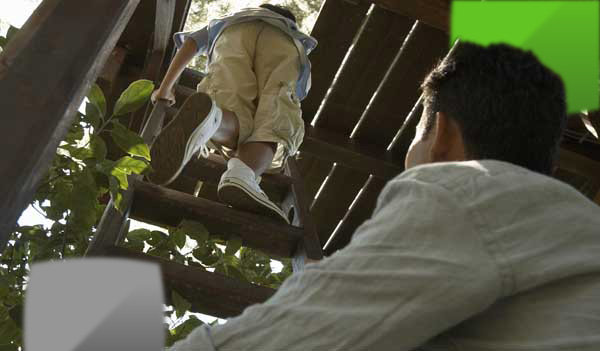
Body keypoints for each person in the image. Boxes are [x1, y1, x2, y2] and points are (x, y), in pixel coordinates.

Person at [167, 42, 600, 350]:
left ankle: (226, 137)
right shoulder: (560, 229)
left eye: (416, 137)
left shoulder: (467, 188)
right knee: (269, 132)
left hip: (237, 81)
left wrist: (329, 288)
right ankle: (240, 159)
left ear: (443, 135)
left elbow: (278, 340)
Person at [149, 4, 317, 223]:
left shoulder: (230, 20)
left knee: (231, 109)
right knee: (274, 118)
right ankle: (242, 174)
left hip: (232, 35)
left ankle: (214, 119)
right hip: (283, 42)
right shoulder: (289, 31)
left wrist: (165, 87)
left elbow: (191, 44)